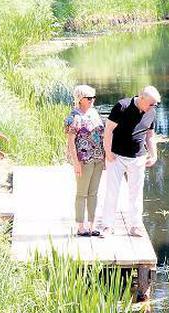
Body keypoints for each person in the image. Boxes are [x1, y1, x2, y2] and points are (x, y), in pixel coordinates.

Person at [99, 86, 161, 237]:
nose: (153, 107)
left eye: (155, 104)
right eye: (151, 104)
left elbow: (150, 135)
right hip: (116, 156)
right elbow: (108, 130)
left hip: (138, 158)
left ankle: (135, 226)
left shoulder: (151, 111)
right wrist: (108, 151)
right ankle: (107, 226)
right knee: (112, 191)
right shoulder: (122, 106)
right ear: (141, 98)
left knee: (136, 193)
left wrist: (154, 154)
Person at [65, 84, 105, 237]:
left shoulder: (95, 113)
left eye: (93, 97)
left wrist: (105, 157)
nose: (92, 100)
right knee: (82, 193)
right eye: (89, 98)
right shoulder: (74, 117)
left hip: (98, 158)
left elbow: (102, 135)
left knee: (94, 193)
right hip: (84, 160)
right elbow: (70, 142)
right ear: (80, 99)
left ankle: (92, 225)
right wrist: (76, 163)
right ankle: (81, 227)